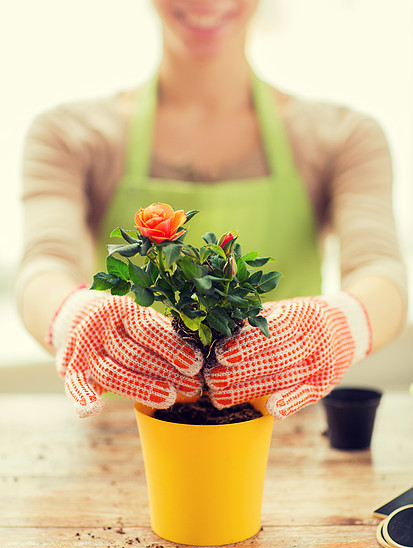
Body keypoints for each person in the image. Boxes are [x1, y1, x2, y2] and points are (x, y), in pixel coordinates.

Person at [17, 0, 407, 418]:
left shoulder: (344, 135)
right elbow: (44, 264)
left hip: (284, 423)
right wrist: (70, 315)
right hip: (126, 432)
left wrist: (338, 322)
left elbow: (382, 272)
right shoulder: (69, 134)